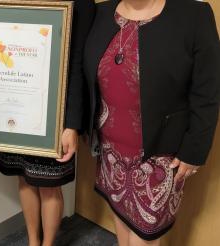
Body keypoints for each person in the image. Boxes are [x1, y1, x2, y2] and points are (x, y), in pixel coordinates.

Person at [0, 1, 95, 245]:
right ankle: (33, 242)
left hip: (52, 111)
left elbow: (78, 65)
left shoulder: (81, 4)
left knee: (49, 185)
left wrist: (72, 125)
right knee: (24, 177)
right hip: (12, 109)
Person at [84, 0, 220, 245]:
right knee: (121, 221)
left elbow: (208, 91)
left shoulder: (194, 15)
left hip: (159, 156)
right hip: (110, 152)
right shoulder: (101, 12)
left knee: (144, 237)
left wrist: (194, 150)